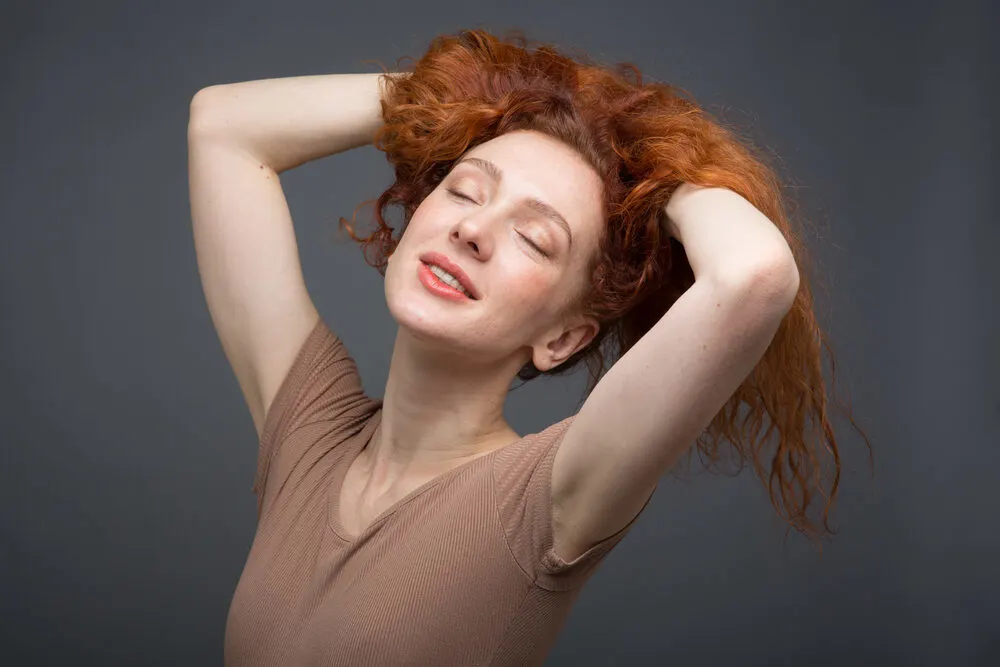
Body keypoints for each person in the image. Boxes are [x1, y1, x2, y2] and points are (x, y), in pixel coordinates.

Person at [188, 28, 871, 667]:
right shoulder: (309, 431)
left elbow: (755, 274)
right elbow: (224, 128)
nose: (475, 229)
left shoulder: (548, 499)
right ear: (408, 228)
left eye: (535, 237)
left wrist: (650, 168)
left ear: (562, 338)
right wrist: (458, 97)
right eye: (465, 190)